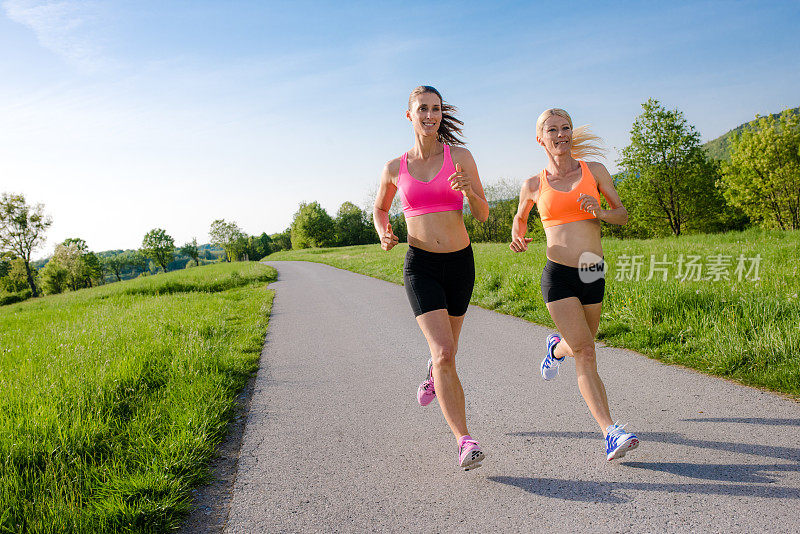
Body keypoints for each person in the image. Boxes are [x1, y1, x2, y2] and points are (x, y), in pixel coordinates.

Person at [509, 108, 640, 461]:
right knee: (586, 351)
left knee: (581, 343)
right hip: (559, 274)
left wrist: (597, 212)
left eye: (566, 127)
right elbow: (520, 220)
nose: (561, 134)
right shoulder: (533, 185)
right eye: (552, 129)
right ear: (541, 138)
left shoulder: (593, 171)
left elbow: (622, 215)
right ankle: (611, 431)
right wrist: (518, 237)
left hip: (592, 271)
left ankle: (554, 350)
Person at [373, 86, 489, 471]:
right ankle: (464, 440)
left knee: (448, 352)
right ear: (409, 115)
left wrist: (470, 190)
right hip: (420, 265)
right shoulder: (394, 168)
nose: (430, 115)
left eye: (436, 109)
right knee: (444, 353)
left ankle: (432, 374)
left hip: (460, 264)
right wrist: (383, 230)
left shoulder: (461, 158)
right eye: (423, 108)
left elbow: (484, 214)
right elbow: (379, 208)